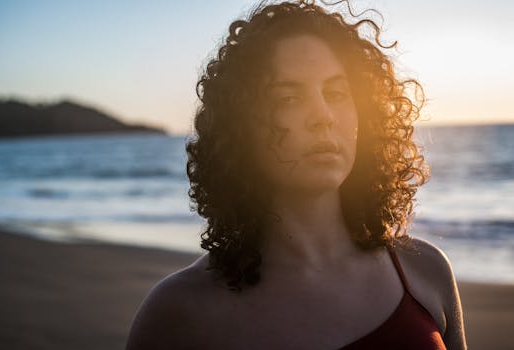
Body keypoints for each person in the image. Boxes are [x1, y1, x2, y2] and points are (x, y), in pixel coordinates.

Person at [126, 1, 466, 349]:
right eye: (288, 98)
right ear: (240, 127)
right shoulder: (179, 313)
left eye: (336, 94)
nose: (322, 116)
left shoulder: (425, 272)